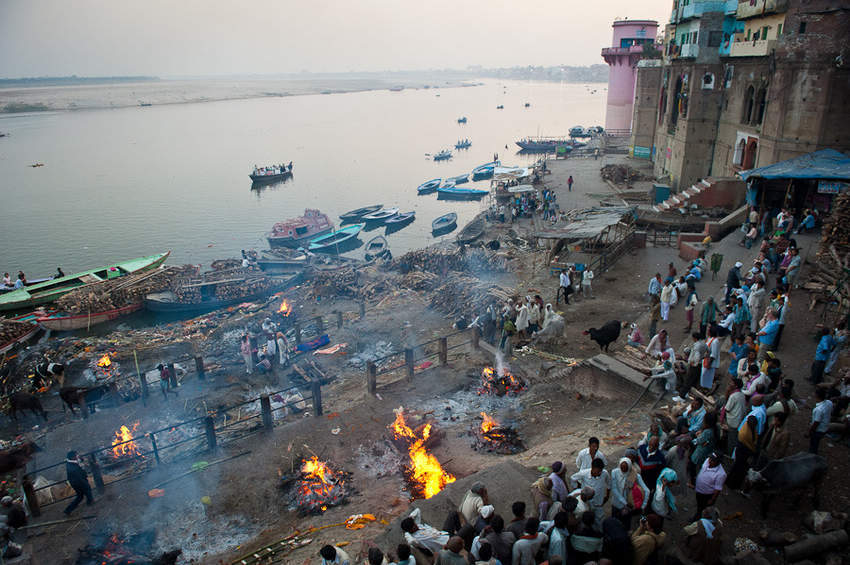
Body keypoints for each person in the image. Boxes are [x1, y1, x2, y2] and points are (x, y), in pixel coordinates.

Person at [569, 458, 611, 530]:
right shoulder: (584, 473)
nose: (599, 473)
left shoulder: (605, 473)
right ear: (592, 468)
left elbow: (609, 484)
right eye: (597, 471)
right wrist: (577, 488)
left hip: (598, 503)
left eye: (600, 471)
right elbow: (573, 478)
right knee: (586, 521)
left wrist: (607, 496)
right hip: (587, 503)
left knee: (600, 522)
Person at [610, 457, 650, 529]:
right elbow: (614, 489)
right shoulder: (614, 472)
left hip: (628, 506)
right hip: (617, 503)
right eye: (621, 468)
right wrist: (624, 502)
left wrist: (643, 505)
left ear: (629, 467)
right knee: (614, 523)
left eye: (625, 468)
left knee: (625, 524)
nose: (623, 470)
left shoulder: (635, 475)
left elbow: (647, 491)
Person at [693, 452, 726, 520]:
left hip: (707, 495)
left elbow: (718, 489)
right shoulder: (707, 460)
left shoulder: (721, 474)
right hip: (699, 491)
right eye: (710, 458)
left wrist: (712, 499)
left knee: (706, 510)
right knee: (699, 506)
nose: (709, 461)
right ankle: (697, 517)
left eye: (713, 460)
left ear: (718, 462)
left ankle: (704, 522)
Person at [688, 412, 717, 486]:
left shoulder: (708, 432)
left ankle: (693, 482)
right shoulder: (715, 429)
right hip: (708, 449)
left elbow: (699, 441)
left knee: (693, 464)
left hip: (701, 451)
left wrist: (697, 437)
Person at [64, 451, 94, 515]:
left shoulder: (70, 462)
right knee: (87, 490)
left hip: (75, 482)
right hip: (78, 482)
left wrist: (81, 458)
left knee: (80, 496)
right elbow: (79, 478)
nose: (78, 456)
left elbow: (79, 460)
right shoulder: (73, 468)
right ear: (73, 457)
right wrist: (85, 483)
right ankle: (90, 502)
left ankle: (68, 510)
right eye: (76, 455)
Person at [722, 378, 746, 454]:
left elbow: (727, 409)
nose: (729, 384)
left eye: (731, 383)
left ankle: (729, 455)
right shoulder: (741, 394)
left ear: (735, 386)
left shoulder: (733, 396)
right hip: (738, 420)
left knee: (731, 441)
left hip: (733, 421)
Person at [807, 387, 833, 454]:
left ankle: (812, 456)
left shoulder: (818, 409)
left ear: (817, 395)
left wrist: (810, 432)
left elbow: (816, 423)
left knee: (813, 444)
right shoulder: (829, 402)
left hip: (818, 430)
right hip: (825, 427)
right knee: (816, 443)